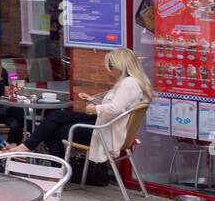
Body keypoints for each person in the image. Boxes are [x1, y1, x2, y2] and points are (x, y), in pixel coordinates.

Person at [9, 48, 152, 162]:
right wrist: (92, 99)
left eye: (111, 65)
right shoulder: (134, 82)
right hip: (108, 125)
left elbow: (114, 109)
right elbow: (118, 105)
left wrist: (93, 108)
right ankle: (27, 149)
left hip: (105, 130)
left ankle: (44, 161)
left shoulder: (128, 83)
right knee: (56, 116)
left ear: (121, 65)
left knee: (51, 129)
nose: (110, 70)